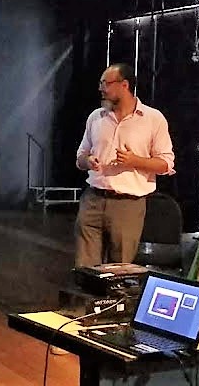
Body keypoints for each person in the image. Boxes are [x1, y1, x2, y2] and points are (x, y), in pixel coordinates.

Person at [75, 62, 175, 267]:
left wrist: (135, 161)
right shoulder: (96, 117)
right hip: (93, 200)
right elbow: (80, 157)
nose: (101, 88)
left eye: (105, 83)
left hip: (128, 205)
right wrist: (88, 161)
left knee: (119, 268)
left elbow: (166, 164)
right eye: (100, 83)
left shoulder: (153, 119)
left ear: (125, 85)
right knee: (85, 267)